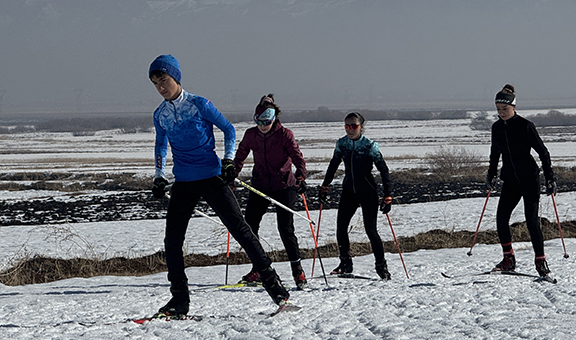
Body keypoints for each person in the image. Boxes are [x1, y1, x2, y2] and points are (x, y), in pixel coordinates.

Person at [148, 54, 289, 316]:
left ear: (175, 77)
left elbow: (228, 129)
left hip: (211, 176)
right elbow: (160, 144)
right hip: (184, 180)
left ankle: (276, 288)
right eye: (155, 83)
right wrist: (159, 175)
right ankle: (179, 300)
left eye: (164, 80)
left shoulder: (199, 104)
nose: (160, 87)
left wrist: (227, 162)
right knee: (172, 241)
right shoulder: (160, 114)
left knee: (240, 230)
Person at [233, 94, 309, 289]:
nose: (262, 125)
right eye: (258, 121)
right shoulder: (251, 134)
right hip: (259, 185)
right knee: (249, 227)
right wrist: (231, 174)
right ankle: (259, 267)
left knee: (285, 229)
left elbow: (298, 158)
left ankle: (297, 270)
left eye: (266, 121)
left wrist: (301, 176)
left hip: (284, 186)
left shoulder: (285, 134)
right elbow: (240, 155)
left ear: (274, 119)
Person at [486, 84, 556, 278]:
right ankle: (508, 259)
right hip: (510, 180)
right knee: (501, 219)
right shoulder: (497, 128)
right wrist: (490, 175)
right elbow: (494, 154)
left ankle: (540, 262)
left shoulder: (525, 126)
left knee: (532, 221)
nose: (501, 113)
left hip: (529, 180)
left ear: (514, 107)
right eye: (498, 109)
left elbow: (543, 152)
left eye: (505, 109)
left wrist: (550, 178)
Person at [319, 112, 394, 280]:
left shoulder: (370, 145)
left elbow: (383, 170)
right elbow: (333, 165)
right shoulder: (342, 144)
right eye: (347, 126)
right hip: (349, 191)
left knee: (371, 230)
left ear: (361, 126)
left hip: (368, 192)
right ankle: (345, 263)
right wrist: (325, 185)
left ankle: (381, 267)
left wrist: (388, 195)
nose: (350, 129)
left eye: (354, 126)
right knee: (340, 228)